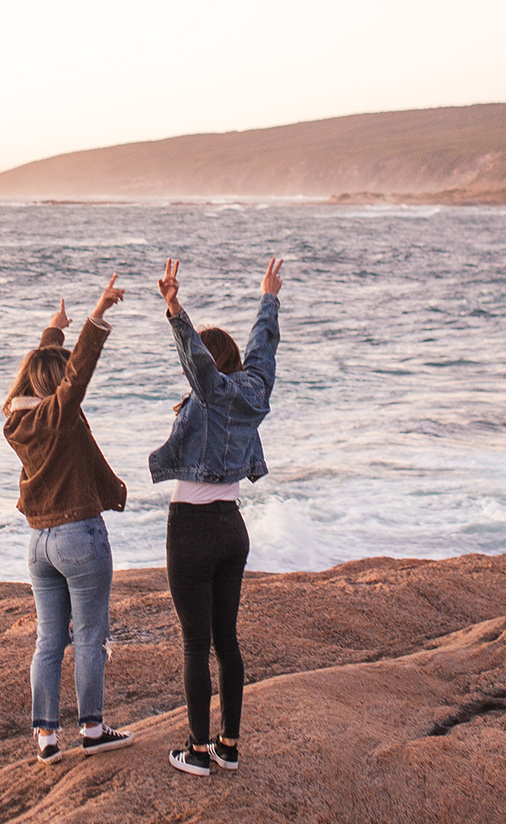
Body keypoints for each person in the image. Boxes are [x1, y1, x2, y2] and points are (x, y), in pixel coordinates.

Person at [149, 257, 283, 777]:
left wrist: (174, 308)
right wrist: (268, 298)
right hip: (232, 528)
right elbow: (263, 350)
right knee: (226, 641)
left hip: (193, 529)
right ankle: (229, 745)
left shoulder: (213, 392)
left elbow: (197, 362)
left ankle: (198, 751)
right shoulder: (254, 391)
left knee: (195, 643)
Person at [2, 273, 138, 765]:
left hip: (39, 544)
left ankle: (45, 737)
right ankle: (93, 729)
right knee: (90, 638)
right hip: (79, 536)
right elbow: (76, 374)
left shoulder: (17, 421)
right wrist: (96, 315)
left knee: (48, 641)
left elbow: (43, 370)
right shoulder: (58, 415)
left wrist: (53, 331)